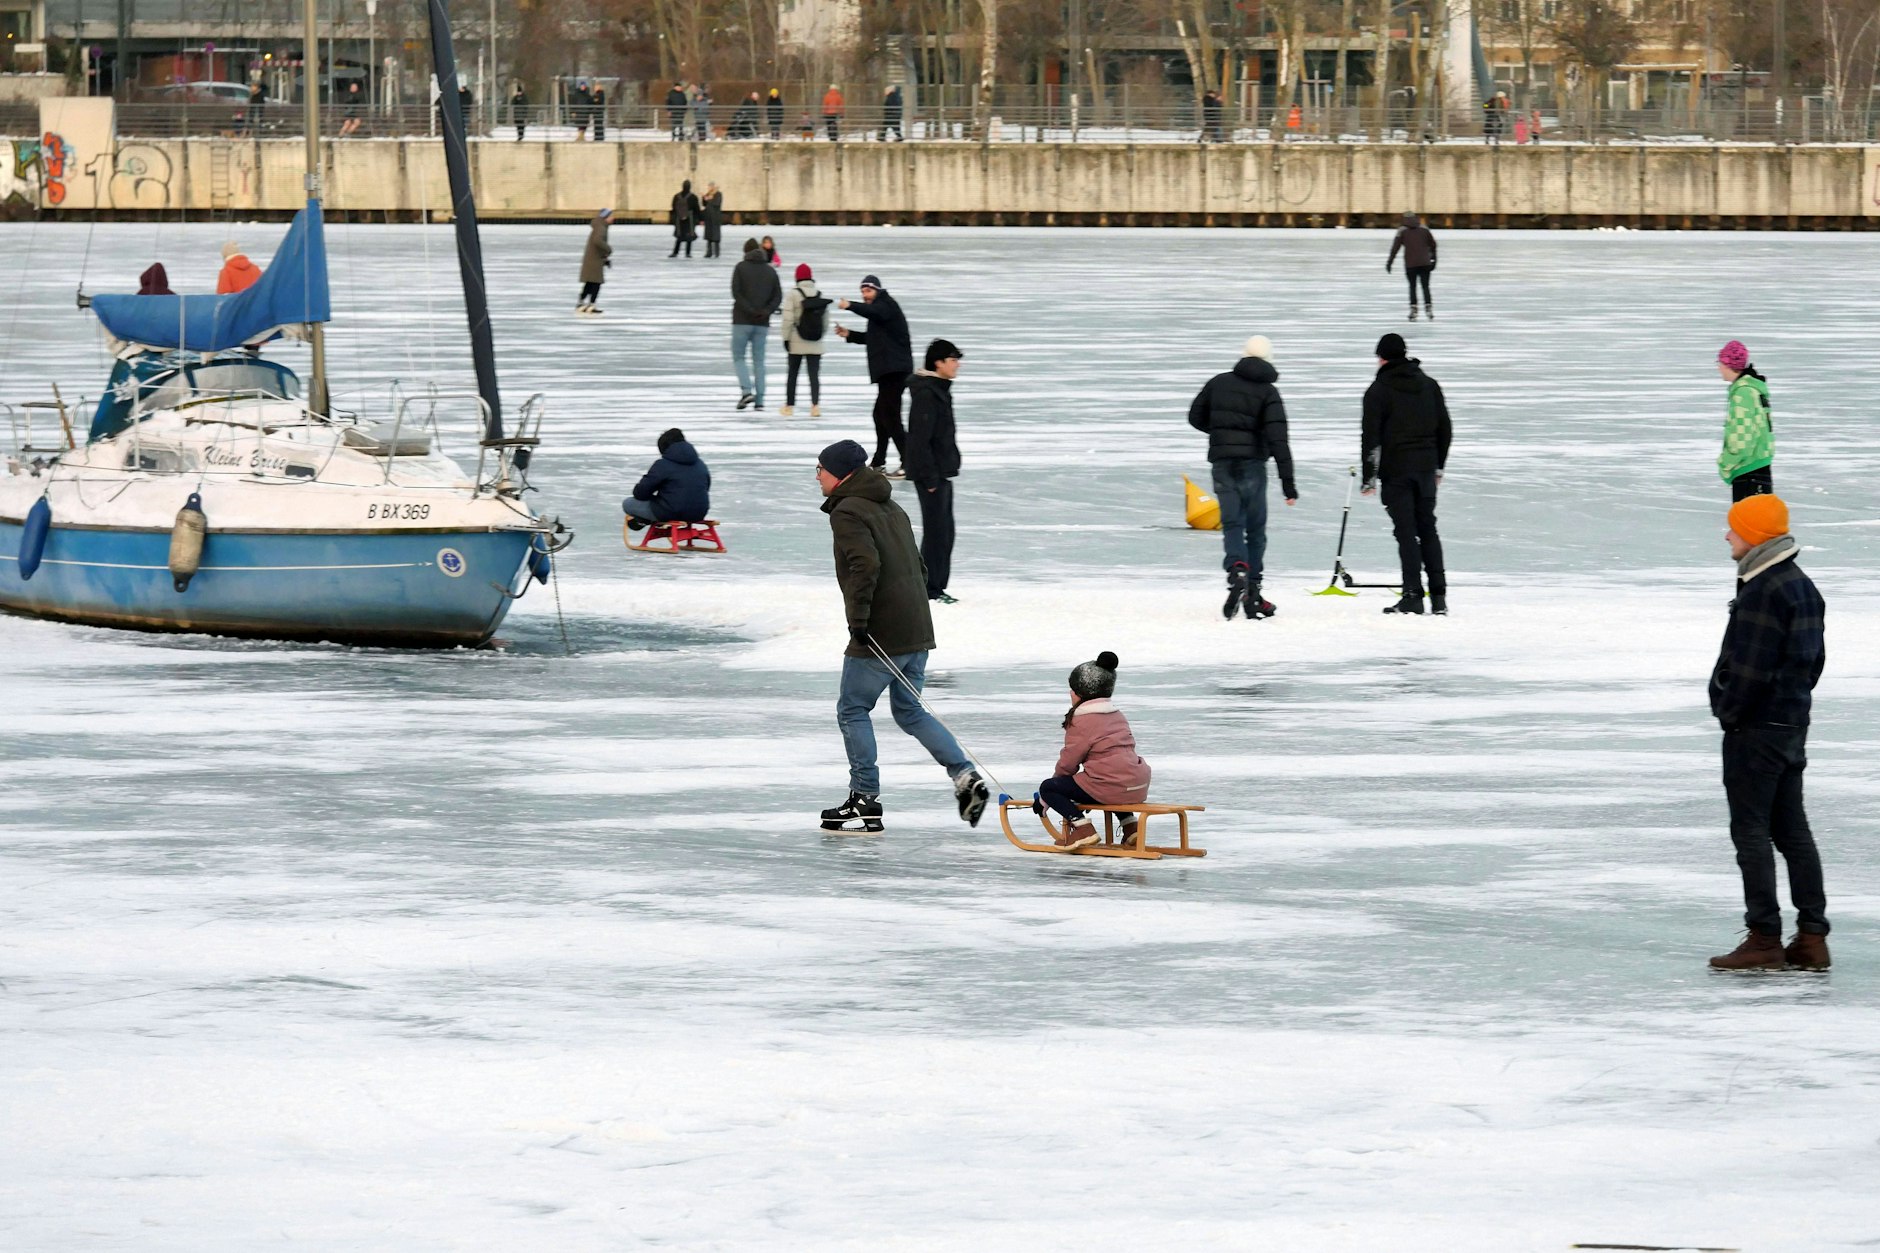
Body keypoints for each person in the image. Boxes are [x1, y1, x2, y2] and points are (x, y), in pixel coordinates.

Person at [814, 438, 989, 834]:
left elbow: (864, 566)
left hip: (882, 632)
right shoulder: (891, 506)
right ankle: (964, 775)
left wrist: (859, 622)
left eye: (821, 469)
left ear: (840, 474)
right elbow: (920, 566)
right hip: (916, 628)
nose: (817, 476)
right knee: (909, 711)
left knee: (852, 709)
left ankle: (864, 798)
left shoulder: (847, 512)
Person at [1706, 494, 1829, 972]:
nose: (1727, 536)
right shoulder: (1800, 586)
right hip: (1791, 725)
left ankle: (1764, 938)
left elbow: (1749, 671)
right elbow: (1812, 664)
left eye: (1734, 529)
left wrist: (1729, 710)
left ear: (1754, 535)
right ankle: (1813, 938)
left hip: (1756, 730)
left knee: (1752, 830)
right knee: (1792, 830)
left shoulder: (1764, 589)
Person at [1186, 335, 1297, 621]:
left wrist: (1222, 434)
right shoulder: (1268, 392)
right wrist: (1288, 484)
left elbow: (1195, 416)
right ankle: (1253, 593)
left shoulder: (1218, 382)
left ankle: (1237, 569)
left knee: (1232, 523)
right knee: (1256, 529)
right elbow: (1278, 439)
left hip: (1222, 463)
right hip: (1252, 465)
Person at [1362, 332, 1452, 615]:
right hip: (1425, 470)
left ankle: (1413, 595)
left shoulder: (1378, 391)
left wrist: (1369, 478)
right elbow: (1445, 429)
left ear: (1382, 358)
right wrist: (1438, 466)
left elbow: (1371, 438)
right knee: (1428, 529)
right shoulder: (1429, 385)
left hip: (1396, 471)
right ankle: (1439, 597)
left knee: (1406, 533)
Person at [1036, 651, 1151, 850]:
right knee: (1113, 775)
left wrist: (1046, 796)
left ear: (1082, 693)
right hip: (1137, 784)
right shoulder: (1117, 714)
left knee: (1049, 786)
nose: (1070, 694)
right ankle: (1131, 828)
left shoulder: (1082, 720)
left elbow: (1068, 763)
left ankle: (1082, 829)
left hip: (1110, 786)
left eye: (1073, 689)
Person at [905, 339, 964, 604]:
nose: (957, 365)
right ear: (938, 363)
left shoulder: (939, 389)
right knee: (936, 531)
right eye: (953, 360)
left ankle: (936, 586)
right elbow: (919, 438)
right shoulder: (927, 392)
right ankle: (928, 589)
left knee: (945, 531)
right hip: (930, 474)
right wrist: (929, 476)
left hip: (942, 471)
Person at [835, 275, 914, 472]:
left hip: (896, 370)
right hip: (888, 370)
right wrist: (849, 334)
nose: (865, 295)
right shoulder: (879, 311)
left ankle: (910, 460)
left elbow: (874, 312)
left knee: (890, 415)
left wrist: (850, 305)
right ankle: (879, 461)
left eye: (868, 291)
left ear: (877, 290)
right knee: (880, 414)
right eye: (862, 292)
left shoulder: (886, 305)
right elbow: (874, 338)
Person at [1717, 339, 1773, 501]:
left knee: (1747, 525)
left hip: (1749, 471)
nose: (1718, 368)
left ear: (1729, 365)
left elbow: (1742, 438)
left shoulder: (1744, 393)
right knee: (1752, 524)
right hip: (1756, 467)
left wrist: (1725, 463)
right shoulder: (1751, 389)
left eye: (1720, 362)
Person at [622, 428, 711, 530]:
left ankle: (645, 519)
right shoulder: (700, 464)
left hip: (670, 512)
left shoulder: (663, 464)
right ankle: (647, 519)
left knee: (628, 503)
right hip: (699, 513)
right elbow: (706, 487)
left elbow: (640, 492)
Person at [731, 237, 782, 410]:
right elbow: (777, 296)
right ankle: (760, 400)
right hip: (762, 323)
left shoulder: (740, 268)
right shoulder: (770, 271)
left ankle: (746, 391)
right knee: (759, 361)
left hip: (741, 321)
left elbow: (736, 292)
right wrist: (765, 311)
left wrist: (750, 310)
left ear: (745, 252)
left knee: (739, 357)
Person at [780, 263, 831, 417]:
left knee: (793, 374)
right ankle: (815, 406)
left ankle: (789, 406)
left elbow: (787, 319)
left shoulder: (793, 294)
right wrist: (819, 334)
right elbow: (826, 321)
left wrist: (786, 338)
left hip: (796, 340)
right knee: (814, 375)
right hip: (816, 341)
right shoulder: (819, 294)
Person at [1387, 211, 1437, 320]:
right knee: (1425, 286)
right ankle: (1428, 307)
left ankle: (1414, 309)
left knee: (1412, 286)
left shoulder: (1402, 231)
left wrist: (1390, 262)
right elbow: (1433, 245)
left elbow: (1395, 248)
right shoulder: (1424, 229)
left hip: (1411, 264)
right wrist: (1434, 259)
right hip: (1425, 263)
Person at [577, 208, 612, 314]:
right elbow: (598, 241)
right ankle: (591, 304)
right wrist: (608, 249)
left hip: (593, 259)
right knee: (596, 282)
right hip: (595, 260)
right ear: (605, 217)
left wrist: (605, 258)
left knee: (590, 282)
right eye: (611, 216)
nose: (613, 218)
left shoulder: (599, 225)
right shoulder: (601, 227)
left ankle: (581, 303)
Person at [669, 180, 700, 258]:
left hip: (679, 219)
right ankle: (688, 253)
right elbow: (697, 209)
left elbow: (673, 207)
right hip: (689, 219)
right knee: (689, 237)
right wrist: (697, 219)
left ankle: (675, 252)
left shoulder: (677, 196)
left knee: (679, 237)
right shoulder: (693, 197)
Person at [700, 183, 724, 259]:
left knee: (716, 237)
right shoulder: (708, 194)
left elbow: (717, 203)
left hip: (715, 218)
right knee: (709, 237)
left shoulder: (718, 194)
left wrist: (710, 199)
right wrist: (704, 198)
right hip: (708, 218)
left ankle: (717, 252)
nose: (709, 188)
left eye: (711, 187)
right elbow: (704, 204)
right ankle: (709, 252)